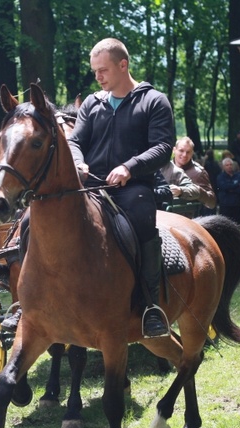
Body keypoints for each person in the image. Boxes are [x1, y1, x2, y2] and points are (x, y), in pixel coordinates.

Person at [67, 37, 174, 338]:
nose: (98, 77)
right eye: (95, 71)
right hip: (90, 186)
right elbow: (74, 141)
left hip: (133, 188)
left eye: (103, 70)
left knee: (142, 214)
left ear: (123, 65)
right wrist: (78, 163)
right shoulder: (92, 103)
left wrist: (130, 167)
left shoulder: (153, 101)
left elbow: (164, 147)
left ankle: (151, 305)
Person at [172, 136, 217, 211]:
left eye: (188, 152)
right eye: (181, 151)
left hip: (191, 219)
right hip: (165, 218)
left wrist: (197, 192)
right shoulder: (163, 168)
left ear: (192, 153)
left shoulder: (199, 172)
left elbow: (212, 202)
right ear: (174, 150)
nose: (184, 155)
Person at [217, 158, 240, 224]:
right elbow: (224, 187)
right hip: (225, 205)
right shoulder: (220, 177)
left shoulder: (239, 176)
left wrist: (231, 189)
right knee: (225, 225)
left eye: (230, 165)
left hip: (236, 204)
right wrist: (236, 185)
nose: (229, 166)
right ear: (223, 167)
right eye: (227, 165)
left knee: (236, 224)